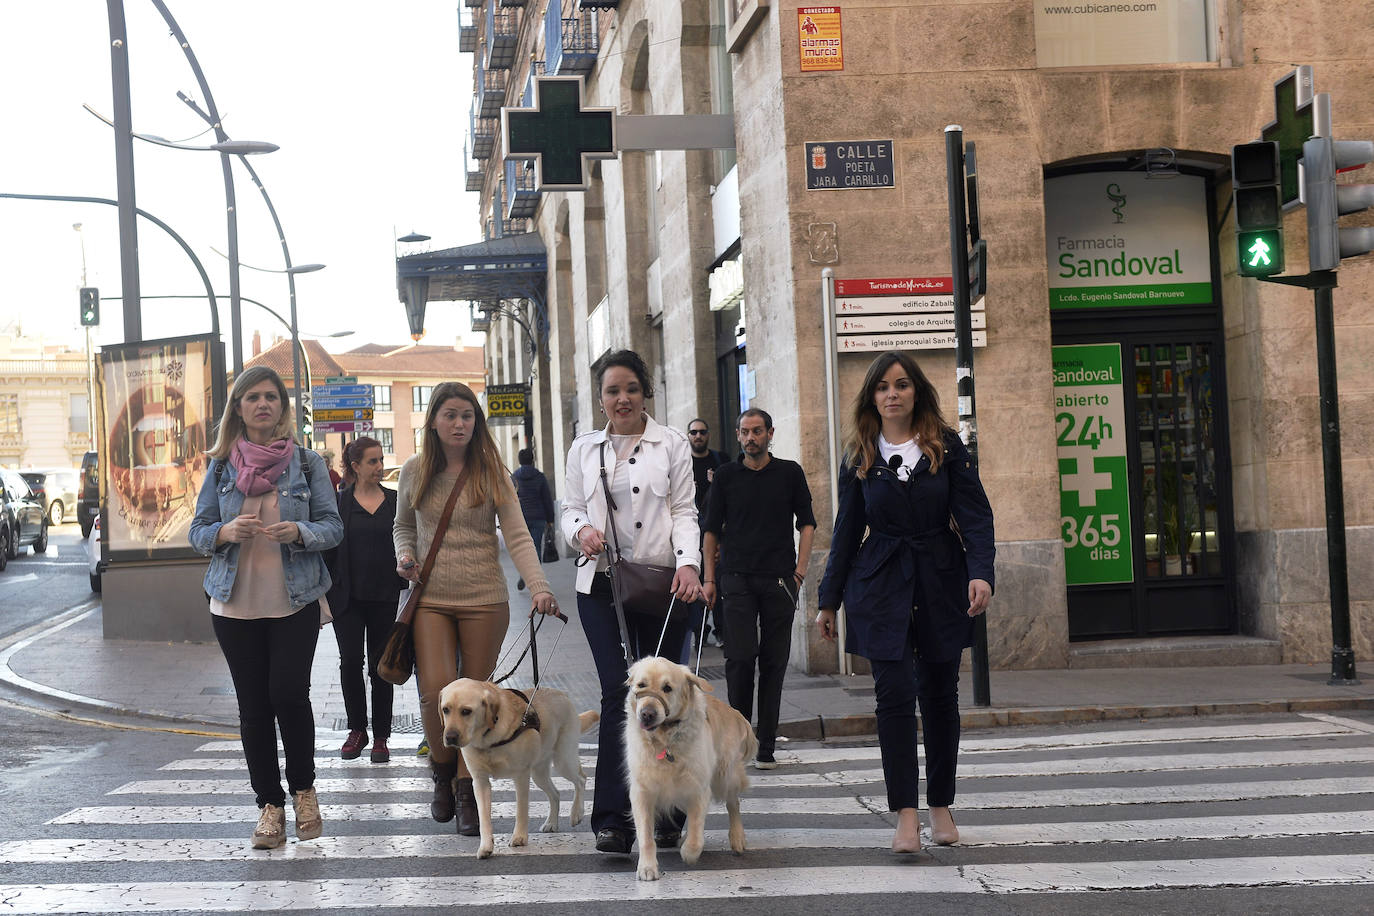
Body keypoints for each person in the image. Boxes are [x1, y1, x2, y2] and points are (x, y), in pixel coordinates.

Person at [816, 350, 994, 854]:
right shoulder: (862, 457)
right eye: (882, 387)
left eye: (901, 385)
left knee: (940, 696)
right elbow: (846, 532)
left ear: (917, 391)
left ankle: (940, 804)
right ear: (872, 397)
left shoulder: (947, 447)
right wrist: (829, 601)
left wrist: (981, 573)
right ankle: (906, 815)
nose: (892, 394)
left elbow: (976, 516)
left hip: (940, 579)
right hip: (880, 585)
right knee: (893, 697)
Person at [393, 381, 558, 837]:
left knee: (477, 702)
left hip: (485, 599)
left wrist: (541, 586)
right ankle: (442, 776)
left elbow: (520, 535)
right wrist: (404, 557)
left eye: (467, 415)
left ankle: (468, 791)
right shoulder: (414, 469)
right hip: (429, 599)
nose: (460, 423)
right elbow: (403, 525)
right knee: (434, 693)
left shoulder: (492, 471)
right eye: (450, 414)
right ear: (434, 421)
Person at [188, 366, 343, 850]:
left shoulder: (308, 463)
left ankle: (303, 790)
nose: (263, 404)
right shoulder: (219, 468)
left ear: (282, 406)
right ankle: (269, 807)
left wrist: (300, 532)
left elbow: (334, 527)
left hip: (294, 599)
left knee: (289, 694)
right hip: (233, 603)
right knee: (253, 707)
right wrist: (223, 533)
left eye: (271, 397)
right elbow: (197, 532)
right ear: (238, 407)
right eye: (252, 397)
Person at [562, 349, 703, 855]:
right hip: (601, 586)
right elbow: (569, 508)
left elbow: (685, 510)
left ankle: (667, 814)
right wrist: (581, 531)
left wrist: (689, 563)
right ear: (600, 398)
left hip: (663, 584)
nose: (622, 399)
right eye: (612, 391)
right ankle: (615, 817)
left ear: (646, 392)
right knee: (615, 693)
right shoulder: (584, 448)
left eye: (631, 389)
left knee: (666, 697)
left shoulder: (672, 444)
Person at [701, 408, 816, 770]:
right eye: (745, 432)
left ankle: (766, 744)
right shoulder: (725, 476)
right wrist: (708, 578)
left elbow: (808, 523)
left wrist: (799, 572)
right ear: (737, 435)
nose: (751, 437)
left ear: (770, 433)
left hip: (780, 580)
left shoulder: (789, 473)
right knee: (739, 659)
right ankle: (738, 741)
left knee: (773, 661)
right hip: (735, 578)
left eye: (757, 431)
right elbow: (710, 530)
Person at [326, 436, 408, 764]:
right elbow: (329, 549)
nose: (379, 467)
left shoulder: (395, 500)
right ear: (355, 467)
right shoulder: (339, 503)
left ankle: (382, 738)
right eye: (372, 462)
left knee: (381, 668)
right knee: (350, 663)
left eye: (381, 460)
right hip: (348, 597)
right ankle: (357, 730)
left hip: (385, 596)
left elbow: (407, 539)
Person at [686, 418, 728, 653]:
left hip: (717, 532)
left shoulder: (720, 460)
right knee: (695, 585)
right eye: (694, 432)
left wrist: (716, 484)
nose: (698, 436)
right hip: (693, 533)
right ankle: (698, 632)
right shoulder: (683, 463)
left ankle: (721, 630)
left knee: (719, 584)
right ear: (688, 436)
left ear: (708, 435)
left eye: (702, 432)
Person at [512, 446, 557, 590]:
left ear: (519, 461)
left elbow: (510, 499)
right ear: (533, 460)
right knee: (535, 547)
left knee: (522, 548)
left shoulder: (514, 477)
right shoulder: (540, 476)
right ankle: (536, 579)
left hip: (521, 518)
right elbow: (547, 500)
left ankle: (523, 574)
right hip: (539, 517)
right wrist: (550, 520)